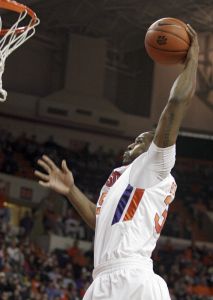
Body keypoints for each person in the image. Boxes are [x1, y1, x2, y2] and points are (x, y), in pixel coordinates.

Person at [35, 25, 199, 300]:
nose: (131, 144)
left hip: (135, 278)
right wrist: (71, 191)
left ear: (153, 149)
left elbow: (176, 104)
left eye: (140, 141)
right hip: (102, 279)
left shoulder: (153, 168)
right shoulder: (119, 178)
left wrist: (191, 60)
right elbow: (100, 223)